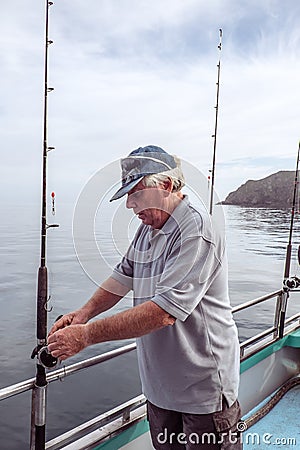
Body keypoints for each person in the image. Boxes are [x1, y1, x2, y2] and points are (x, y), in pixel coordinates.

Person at [48, 145, 242, 449]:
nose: (129, 205)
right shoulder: (149, 228)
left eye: (135, 194)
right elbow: (122, 276)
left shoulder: (197, 228)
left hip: (204, 391)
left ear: (165, 185)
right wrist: (84, 312)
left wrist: (86, 336)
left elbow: (164, 313)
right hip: (160, 390)